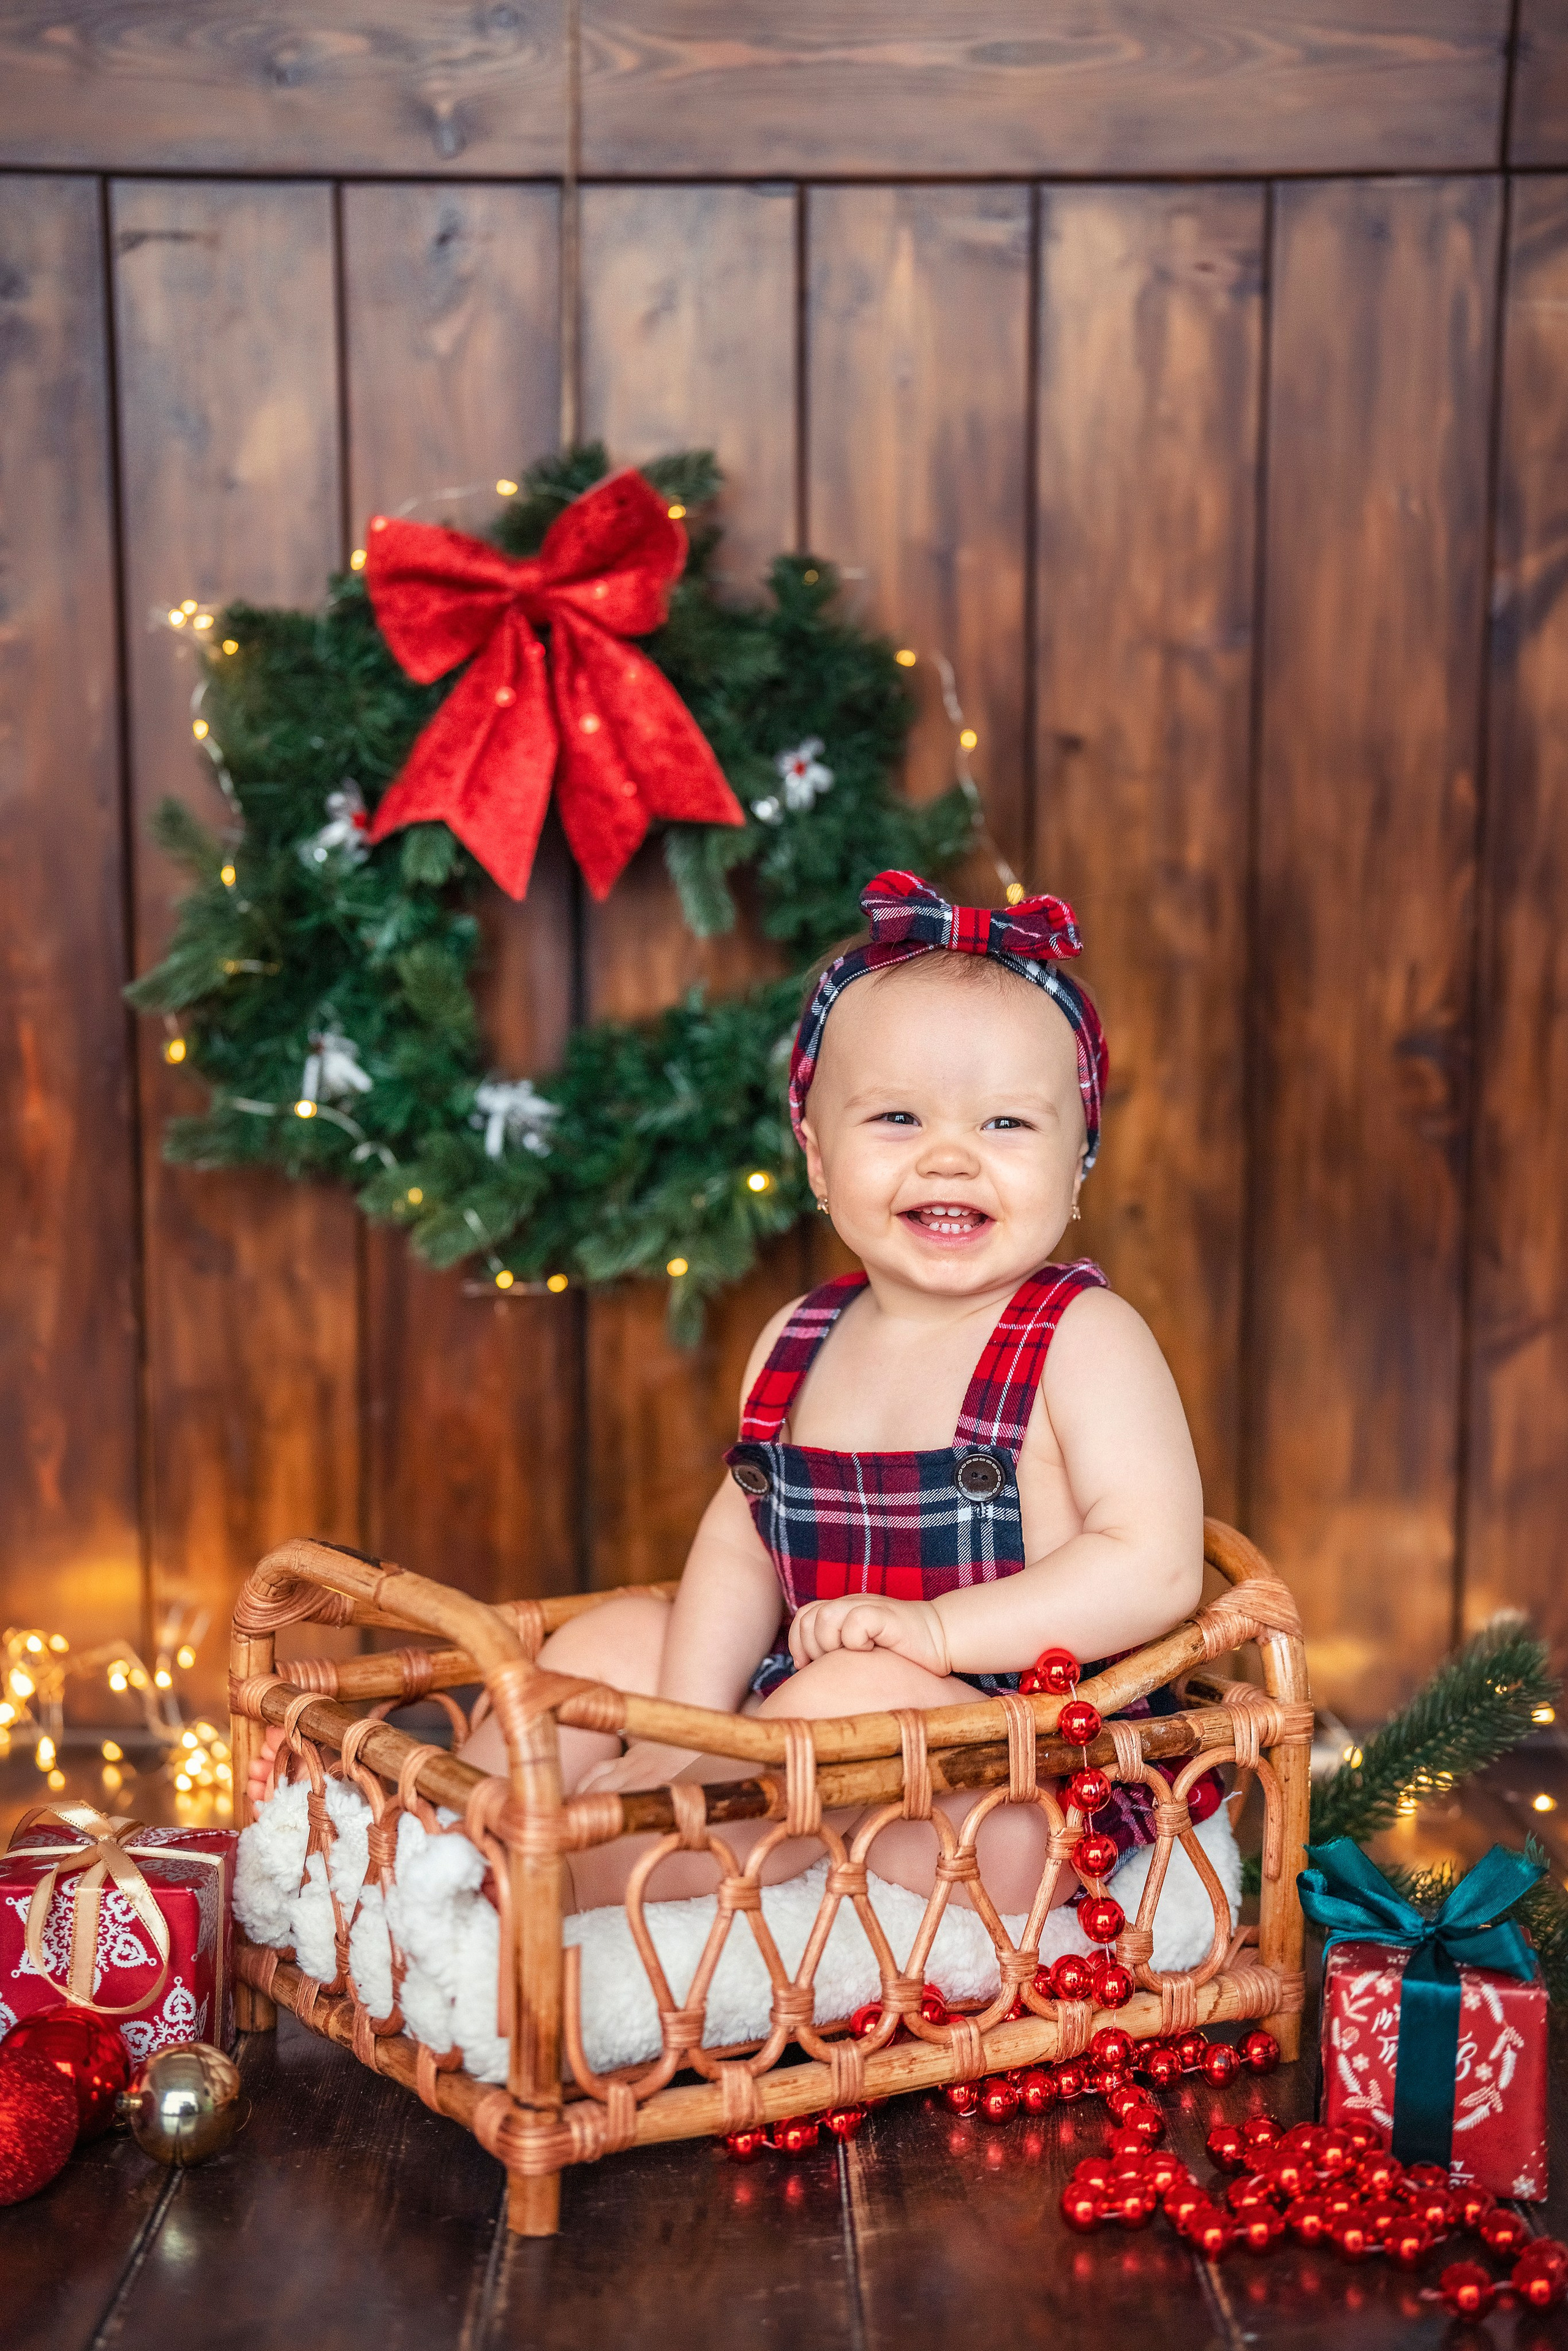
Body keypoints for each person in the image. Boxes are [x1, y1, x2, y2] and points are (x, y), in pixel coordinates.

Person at [251, 870, 1208, 1915]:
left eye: (1007, 1126)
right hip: (803, 1724)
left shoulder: (1083, 1337)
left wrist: (935, 1636)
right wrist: (685, 1729)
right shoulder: (799, 1338)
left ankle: (566, 1889)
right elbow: (741, 1543)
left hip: (1021, 1791)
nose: (949, 1156)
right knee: (619, 1631)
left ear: (1081, 1162)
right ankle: (438, 1838)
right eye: (897, 1116)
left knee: (849, 1695)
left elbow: (1154, 1566)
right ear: (816, 1156)